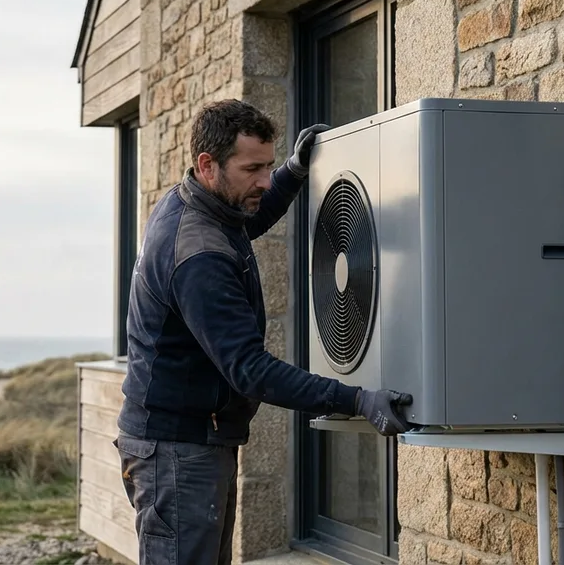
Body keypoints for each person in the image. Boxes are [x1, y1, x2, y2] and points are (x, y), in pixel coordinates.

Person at [114, 99, 414, 565]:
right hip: (176, 451)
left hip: (190, 441)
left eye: (267, 165)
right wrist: (356, 400)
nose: (262, 181)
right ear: (207, 165)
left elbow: (248, 217)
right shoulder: (199, 256)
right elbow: (250, 369)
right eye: (252, 168)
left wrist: (292, 173)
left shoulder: (198, 202)